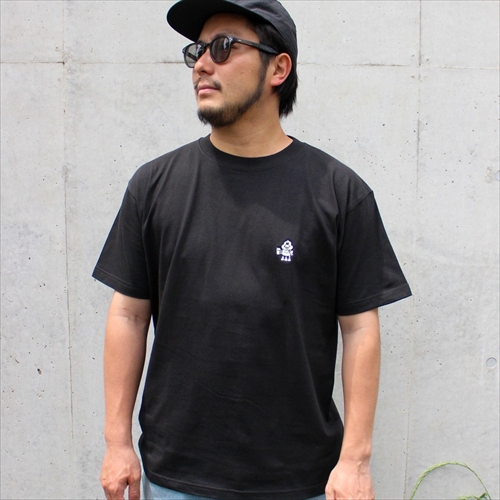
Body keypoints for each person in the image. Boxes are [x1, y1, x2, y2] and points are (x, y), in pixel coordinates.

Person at [93, 1, 412, 499]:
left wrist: (355, 460)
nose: (202, 64)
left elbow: (359, 328)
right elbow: (129, 315)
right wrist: (117, 443)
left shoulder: (337, 193)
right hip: (175, 476)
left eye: (223, 47)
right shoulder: (154, 186)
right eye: (197, 50)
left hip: (300, 479)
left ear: (278, 68)